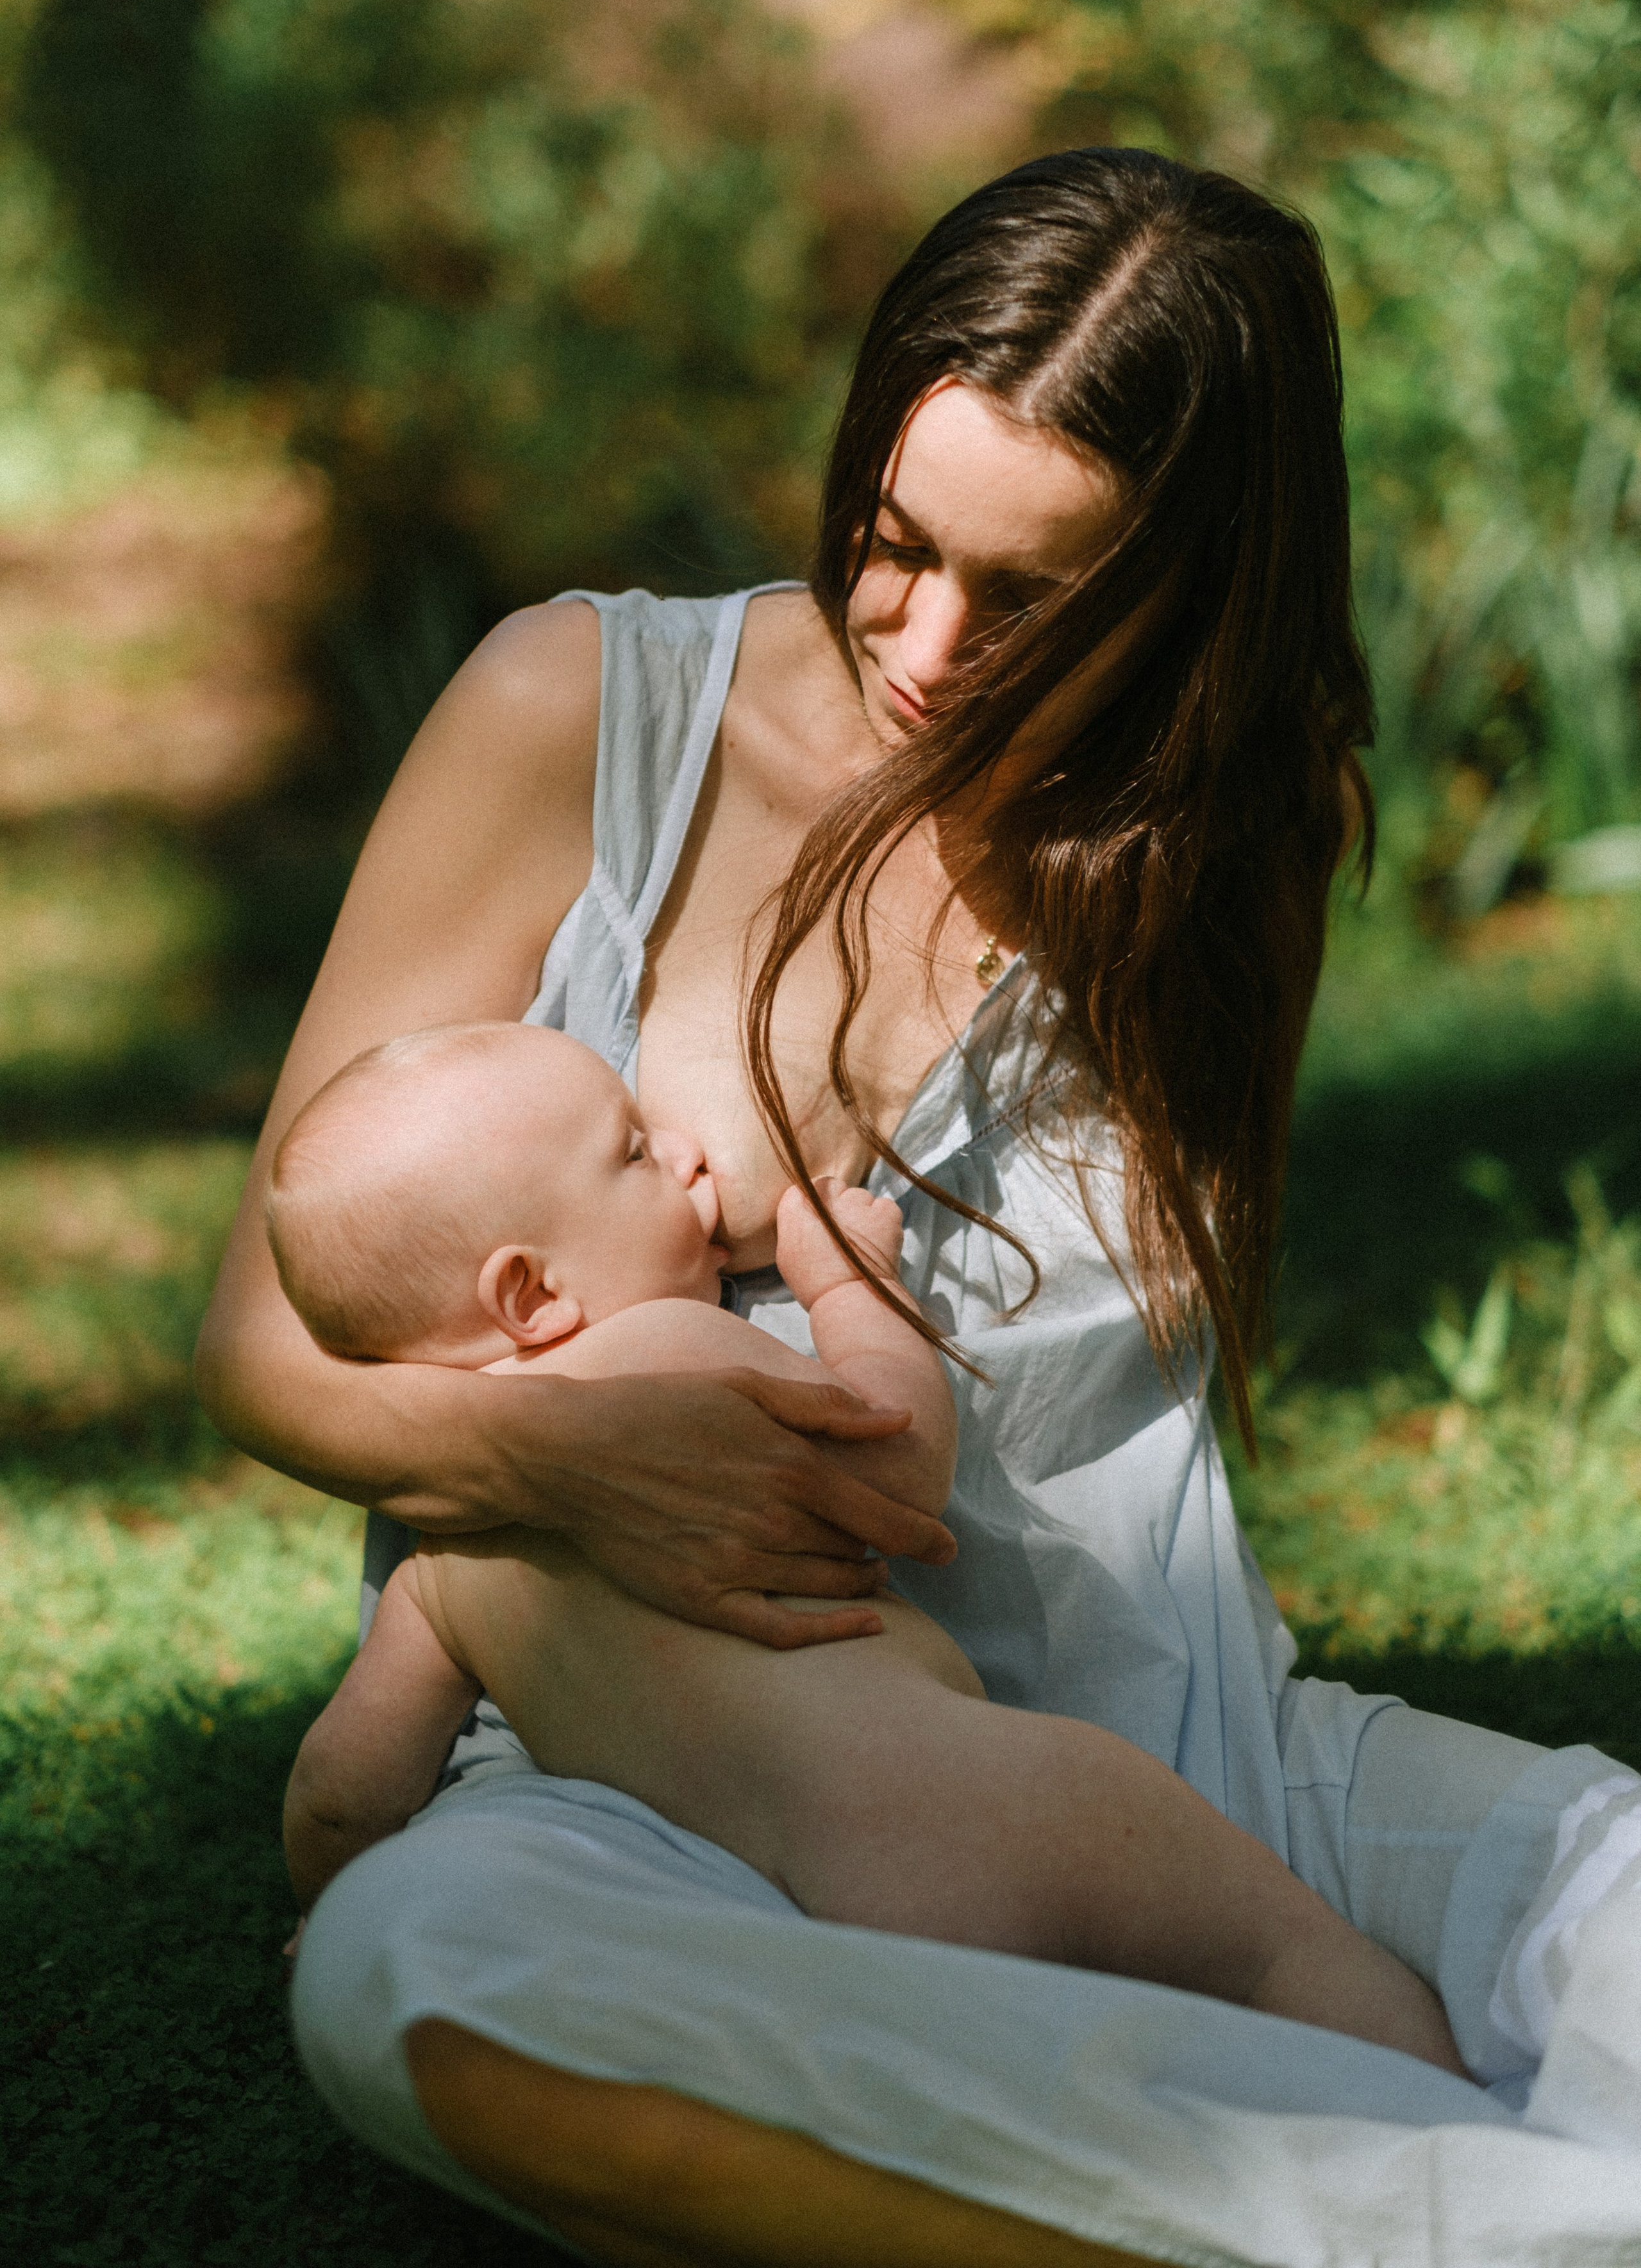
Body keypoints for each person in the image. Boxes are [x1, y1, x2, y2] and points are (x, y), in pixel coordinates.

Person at [196, 149, 1641, 2268]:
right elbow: (259, 1340)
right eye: (892, 546)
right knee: (415, 1980)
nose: (930, 647)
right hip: (647, 1792)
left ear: (1192, 595)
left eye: (1035, 598)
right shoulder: (582, 716)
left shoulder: (1213, 837)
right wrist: (567, 1459)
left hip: (1192, 1757)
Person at [272, 1019, 1467, 2076]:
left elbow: (342, 1791)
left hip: (808, 1910)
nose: (685, 1155)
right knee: (1276, 1957)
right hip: (982, 1801)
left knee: (1045, 2115)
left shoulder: (441, 1574)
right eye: (634, 1151)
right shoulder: (662, 1362)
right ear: (532, 1295)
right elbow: (896, 1472)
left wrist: (332, 1905)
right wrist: (852, 1288)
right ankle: (1460, 2130)